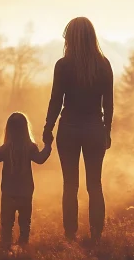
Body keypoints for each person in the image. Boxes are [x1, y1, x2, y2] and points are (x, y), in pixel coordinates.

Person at [43, 17, 113, 245]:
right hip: (95, 128)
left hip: (69, 128)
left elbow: (56, 100)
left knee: (70, 185)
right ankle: (96, 235)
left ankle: (70, 235)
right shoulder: (103, 64)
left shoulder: (63, 65)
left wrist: (48, 127)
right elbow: (108, 104)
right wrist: (107, 131)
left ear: (70, 38)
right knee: (95, 185)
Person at [0, 112, 51, 249]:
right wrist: (48, 145)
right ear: (25, 129)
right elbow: (41, 159)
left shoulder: (6, 148)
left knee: (7, 224)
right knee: (25, 223)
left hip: (8, 191)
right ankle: (23, 248)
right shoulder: (30, 148)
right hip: (25, 191)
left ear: (8, 129)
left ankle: (6, 246)